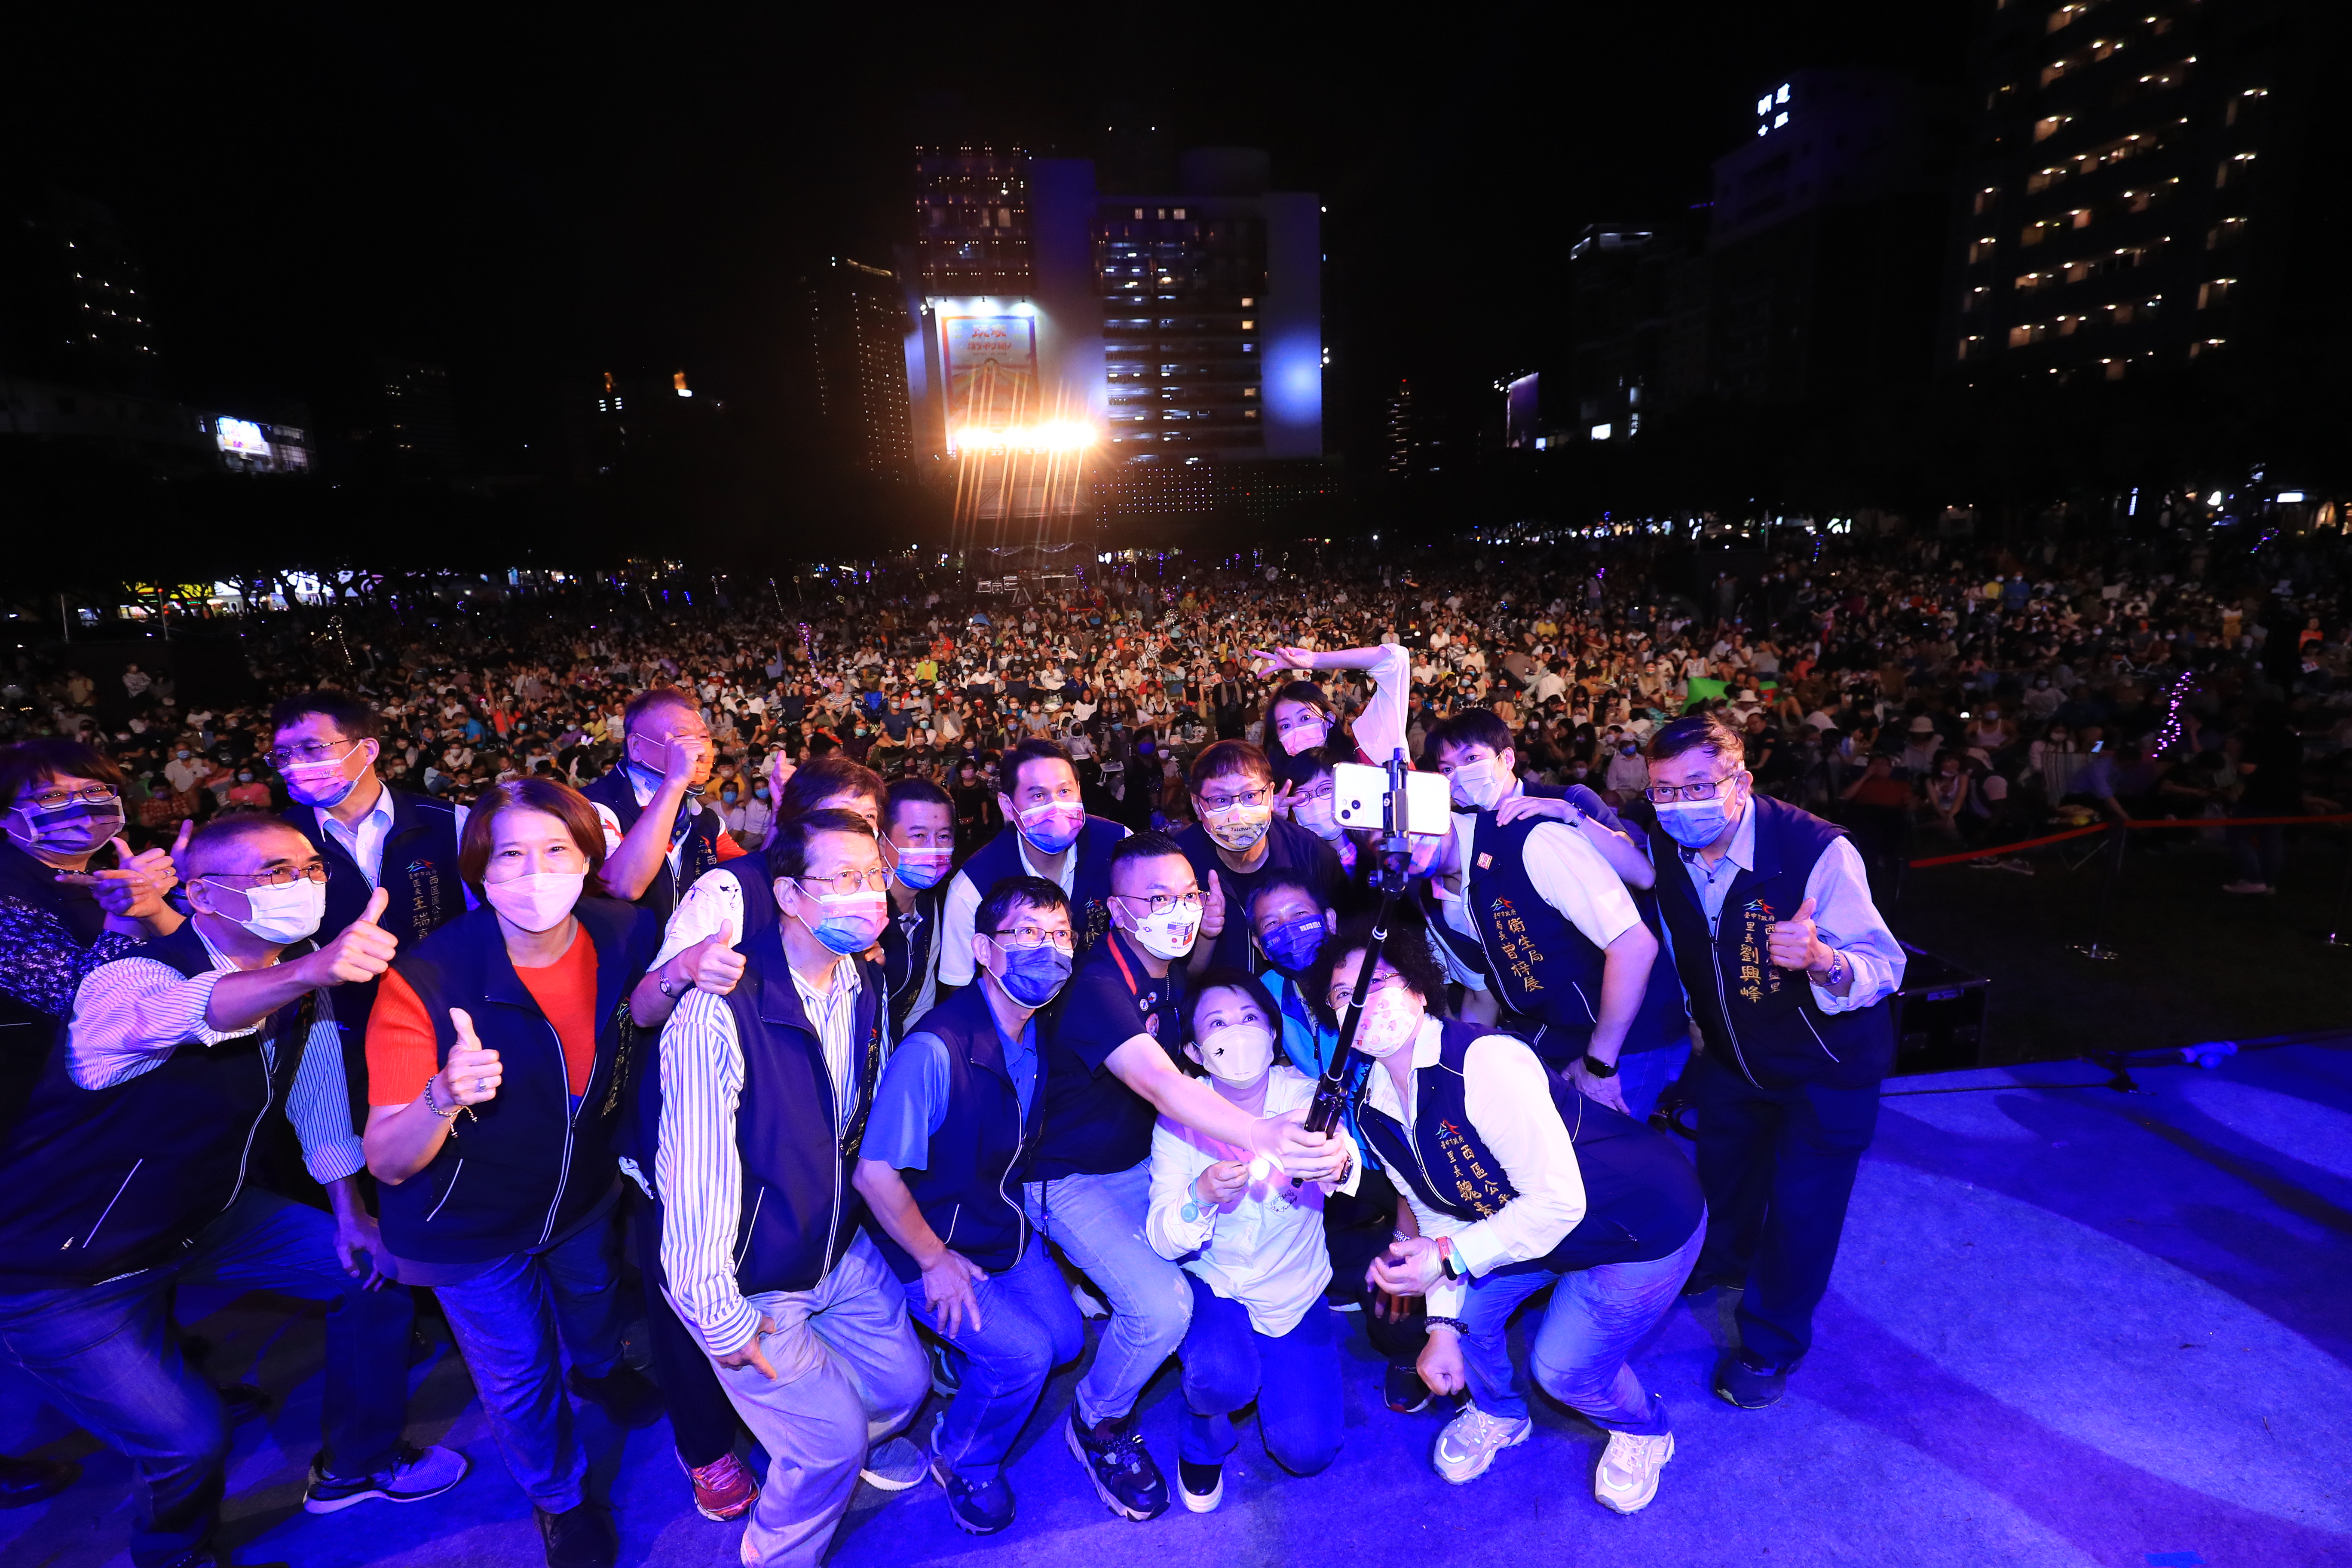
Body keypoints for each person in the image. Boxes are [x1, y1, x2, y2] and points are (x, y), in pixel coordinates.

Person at [3, 812, 465, 1568]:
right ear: (202, 895)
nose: (303, 884)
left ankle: (356, 1465)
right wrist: (308, 975)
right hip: (64, 1267)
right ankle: (175, 1552)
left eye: (311, 868)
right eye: (275, 872)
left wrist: (351, 1212)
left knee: (374, 1275)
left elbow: (317, 1090)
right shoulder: (131, 975)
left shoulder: (304, 966)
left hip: (205, 1214)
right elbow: (185, 1012)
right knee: (188, 1443)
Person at [364, 779, 671, 1568]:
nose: (536, 873)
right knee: (521, 1373)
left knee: (595, 1298)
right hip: (468, 1222)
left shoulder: (623, 931)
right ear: (479, 870)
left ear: (588, 859)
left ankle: (601, 1372)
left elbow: (644, 1018)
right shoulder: (429, 977)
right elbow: (389, 1158)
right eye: (510, 854)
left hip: (580, 1192)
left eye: (556, 850)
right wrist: (441, 1096)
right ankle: (561, 1500)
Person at [1319, 921, 1705, 1513]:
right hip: (1530, 1230)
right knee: (1466, 1322)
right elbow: (1435, 1213)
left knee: (1563, 1369)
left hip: (1638, 1224)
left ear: (1419, 988)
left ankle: (1643, 1430)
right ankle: (1499, 1413)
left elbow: (1556, 1202)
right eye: (1344, 994)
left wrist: (1449, 1258)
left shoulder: (1484, 1061)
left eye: (1378, 982)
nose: (1362, 1003)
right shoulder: (1373, 1107)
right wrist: (1441, 1328)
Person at [656, 809, 931, 1568]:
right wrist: (720, 1316)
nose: (866, 893)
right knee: (827, 1443)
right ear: (787, 894)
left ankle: (842, 1444)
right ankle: (779, 1548)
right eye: (841, 878)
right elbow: (694, 1178)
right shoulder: (718, 1010)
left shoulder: (863, 979)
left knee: (904, 1384)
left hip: (832, 1245)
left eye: (873, 875)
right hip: (751, 1271)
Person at [1641, 712, 1905, 1409]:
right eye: (1664, 790)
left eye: (1700, 785)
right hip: (1734, 1055)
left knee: (1801, 1210)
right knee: (1722, 1178)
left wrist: (1823, 961)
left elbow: (1885, 964)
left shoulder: (1816, 849)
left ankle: (1770, 1342)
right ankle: (1719, 1266)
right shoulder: (1665, 842)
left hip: (1826, 1066)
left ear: (1742, 780)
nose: (1681, 804)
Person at [852, 875, 1084, 1535]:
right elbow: (874, 1175)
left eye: (1060, 935)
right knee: (1024, 1358)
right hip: (923, 1241)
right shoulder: (936, 1049)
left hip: (994, 1226)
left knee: (1067, 1342)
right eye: (1027, 934)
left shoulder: (1034, 1028)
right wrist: (934, 1261)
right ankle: (962, 1458)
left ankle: (961, 1358)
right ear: (984, 949)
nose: (1048, 950)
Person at [0, 740, 191, 1510]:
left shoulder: (96, 872)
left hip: (94, 1119)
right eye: (52, 798)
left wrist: (162, 906)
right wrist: (130, 913)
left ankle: (166, 1374)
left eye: (94, 791)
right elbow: (85, 1003)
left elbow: (179, 973)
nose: (79, 809)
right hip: (23, 1125)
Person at [1146, 970, 1355, 1511]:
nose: (1236, 1034)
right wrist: (1201, 1195)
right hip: (1215, 1284)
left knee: (1307, 1452)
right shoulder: (1179, 1115)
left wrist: (1336, 1162)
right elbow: (1162, 1238)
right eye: (1217, 1024)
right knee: (1221, 1378)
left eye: (1249, 1019)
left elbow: (1344, 1160)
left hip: (1294, 1290)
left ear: (1272, 1032)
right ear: (1193, 1051)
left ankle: (1277, 1366)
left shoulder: (1307, 1097)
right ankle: (1204, 1435)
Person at [1243, 873, 1430, 1410]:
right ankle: (1352, 1276)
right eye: (1272, 925)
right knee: (1304, 1234)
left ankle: (1409, 1349)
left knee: (1401, 1268)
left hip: (1403, 1150)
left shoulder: (1368, 977)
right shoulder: (1268, 994)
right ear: (1259, 943)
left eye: (1300, 916)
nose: (1288, 931)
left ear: (1328, 919)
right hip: (1342, 1159)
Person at [1420, 711, 1660, 1104]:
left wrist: (1571, 817)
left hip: (1620, 1020)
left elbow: (1643, 876)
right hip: (1552, 1028)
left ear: (1506, 758)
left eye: (1471, 759)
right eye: (1447, 768)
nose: (1459, 775)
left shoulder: (1566, 800)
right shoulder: (1457, 836)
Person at [269, 690, 470, 1124]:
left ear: (368, 749)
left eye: (312, 748)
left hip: (446, 1019)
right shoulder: (277, 841)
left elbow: (485, 923)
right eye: (283, 755)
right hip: (337, 1034)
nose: (295, 765)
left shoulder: (449, 822)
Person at [937, 738, 1128, 992]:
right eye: (1039, 796)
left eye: (1065, 792)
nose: (1056, 807)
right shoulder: (974, 887)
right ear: (1007, 806)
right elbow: (960, 988)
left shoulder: (1119, 845)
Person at [1174, 740, 1344, 978]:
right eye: (1221, 800)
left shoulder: (1310, 852)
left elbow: (1348, 933)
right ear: (1197, 805)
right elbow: (1175, 974)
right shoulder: (1177, 864)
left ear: (1270, 794)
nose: (1238, 812)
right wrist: (1205, 934)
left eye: (1251, 795)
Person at [581, 686, 748, 920]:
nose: (701, 751)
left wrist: (784, 810)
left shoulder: (703, 817)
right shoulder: (592, 807)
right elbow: (624, 885)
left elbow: (749, 872)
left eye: (704, 737)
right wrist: (675, 782)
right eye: (682, 739)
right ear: (636, 747)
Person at [879, 776, 955, 1026]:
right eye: (919, 835)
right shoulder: (860, 910)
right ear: (882, 842)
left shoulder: (940, 903)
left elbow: (922, 1001)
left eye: (943, 836)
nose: (933, 848)